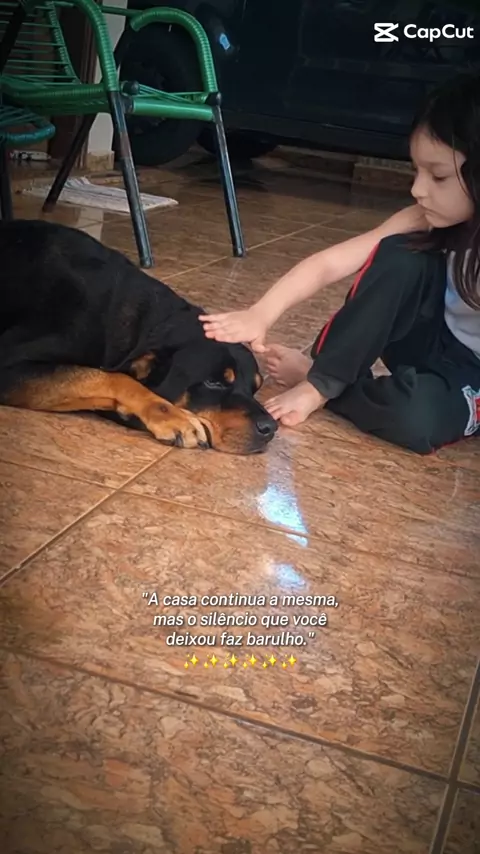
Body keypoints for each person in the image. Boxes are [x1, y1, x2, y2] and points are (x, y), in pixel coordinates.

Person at [199, 72, 480, 455]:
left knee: (415, 421)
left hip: (469, 374)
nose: (418, 189)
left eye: (439, 176)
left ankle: (323, 381)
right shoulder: (424, 218)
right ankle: (323, 383)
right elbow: (329, 264)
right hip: (428, 339)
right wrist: (260, 313)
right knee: (399, 255)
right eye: (417, 171)